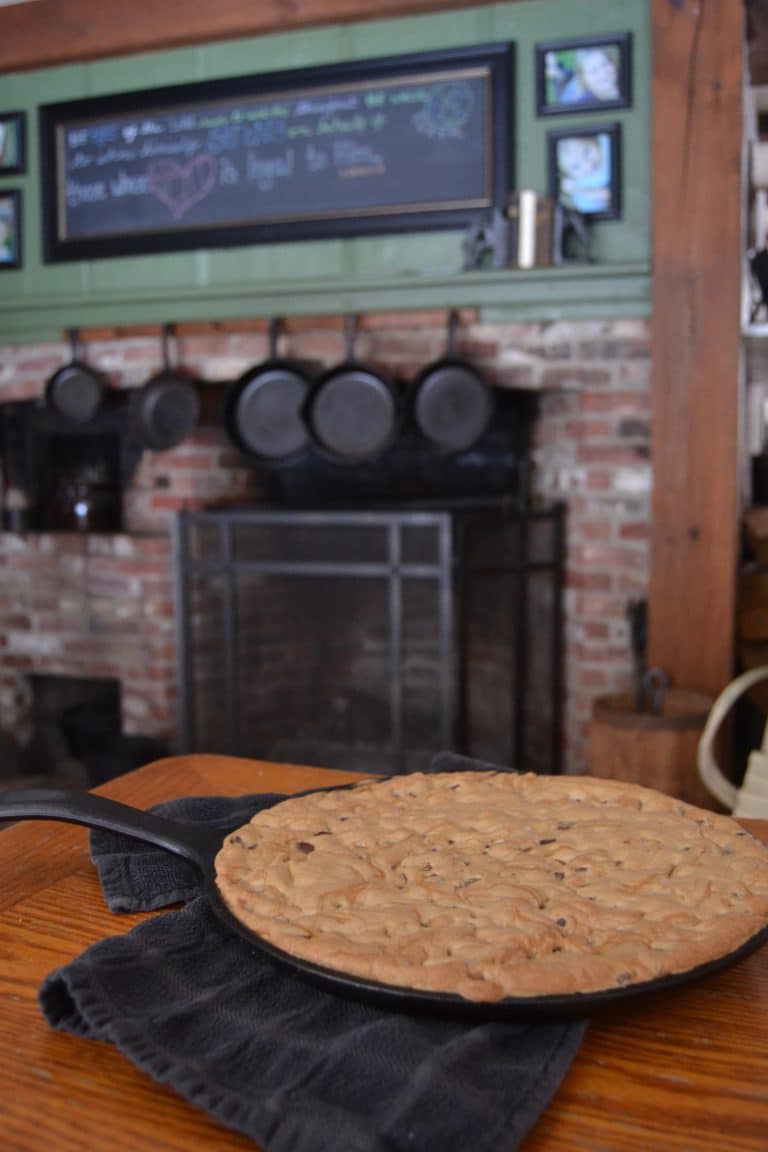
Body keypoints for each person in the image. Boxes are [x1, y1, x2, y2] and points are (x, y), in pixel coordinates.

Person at [556, 134, 611, 215]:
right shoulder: (576, 186)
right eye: (576, 166)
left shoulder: (606, 146)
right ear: (569, 174)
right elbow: (606, 194)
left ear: (593, 140)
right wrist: (577, 190)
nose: (587, 165)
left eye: (586, 152)